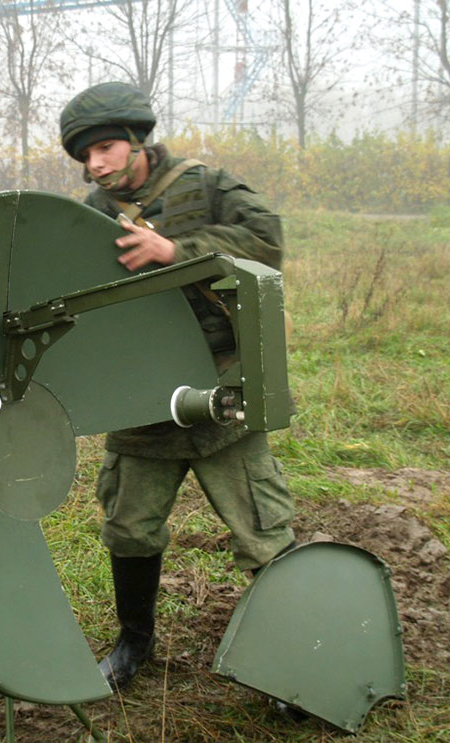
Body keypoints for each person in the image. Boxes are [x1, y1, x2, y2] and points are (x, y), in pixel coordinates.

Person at [59, 81, 296, 692]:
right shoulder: (86, 218)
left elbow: (267, 243)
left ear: (139, 142)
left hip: (223, 386)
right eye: (86, 156)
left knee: (261, 531)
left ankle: (295, 654)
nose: (97, 164)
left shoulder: (207, 186)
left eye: (107, 147)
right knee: (129, 527)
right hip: (141, 391)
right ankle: (133, 643)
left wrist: (178, 250)